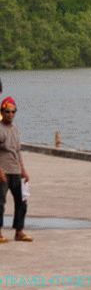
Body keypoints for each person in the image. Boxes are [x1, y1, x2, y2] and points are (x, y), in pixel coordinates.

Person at [0, 97, 32, 242]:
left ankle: (19, 231)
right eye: (7, 112)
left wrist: (23, 170)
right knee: (0, 203)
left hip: (16, 171)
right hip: (3, 172)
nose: (10, 114)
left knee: (22, 202)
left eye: (13, 112)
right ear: (2, 112)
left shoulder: (15, 129)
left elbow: (18, 151)